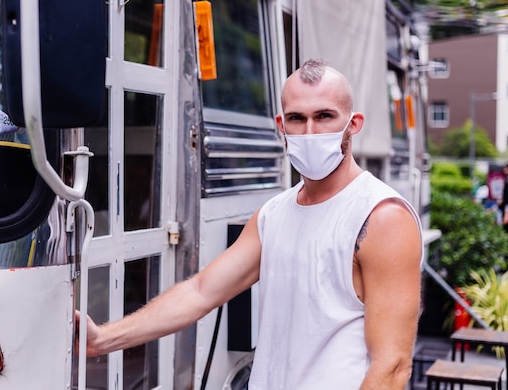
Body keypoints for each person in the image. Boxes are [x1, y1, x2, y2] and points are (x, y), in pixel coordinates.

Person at [77, 58, 423, 389]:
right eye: (297, 119)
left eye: (325, 116)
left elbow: (391, 366)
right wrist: (103, 339)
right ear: (280, 125)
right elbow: (200, 293)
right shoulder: (274, 214)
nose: (310, 131)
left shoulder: (382, 217)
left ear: (354, 123)